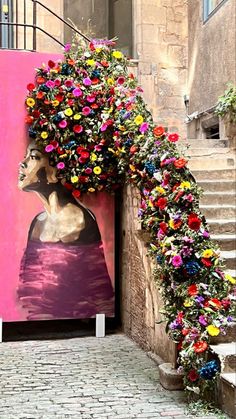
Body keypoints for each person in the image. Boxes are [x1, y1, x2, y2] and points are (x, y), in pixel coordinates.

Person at [17, 141, 114, 320]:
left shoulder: (80, 221)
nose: (22, 163)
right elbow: (27, 290)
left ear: (55, 172)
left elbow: (99, 292)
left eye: (34, 157)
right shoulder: (37, 224)